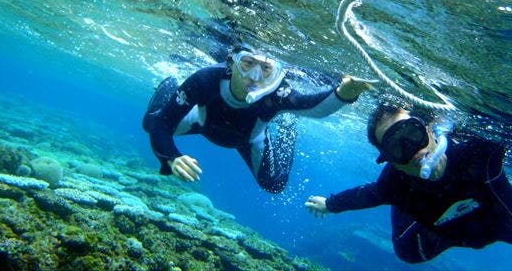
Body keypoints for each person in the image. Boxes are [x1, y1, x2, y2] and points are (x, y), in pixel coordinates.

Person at [305, 103, 512, 263]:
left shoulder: (478, 149)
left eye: (413, 135)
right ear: (389, 161)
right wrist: (330, 204)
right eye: (399, 147)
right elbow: (367, 195)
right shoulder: (393, 183)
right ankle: (410, 209)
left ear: (430, 129)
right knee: (407, 253)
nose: (416, 153)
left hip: (500, 224)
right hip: (445, 234)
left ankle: (504, 194)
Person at [142, 43, 370, 193]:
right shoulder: (206, 79)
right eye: (248, 63)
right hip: (200, 123)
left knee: (274, 185)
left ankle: (287, 129)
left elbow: (313, 107)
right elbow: (162, 126)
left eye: (266, 69)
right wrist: (171, 157)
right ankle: (170, 83)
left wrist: (344, 94)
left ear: (277, 73)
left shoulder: (278, 93)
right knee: (151, 123)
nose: (255, 76)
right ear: (232, 63)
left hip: (250, 140)